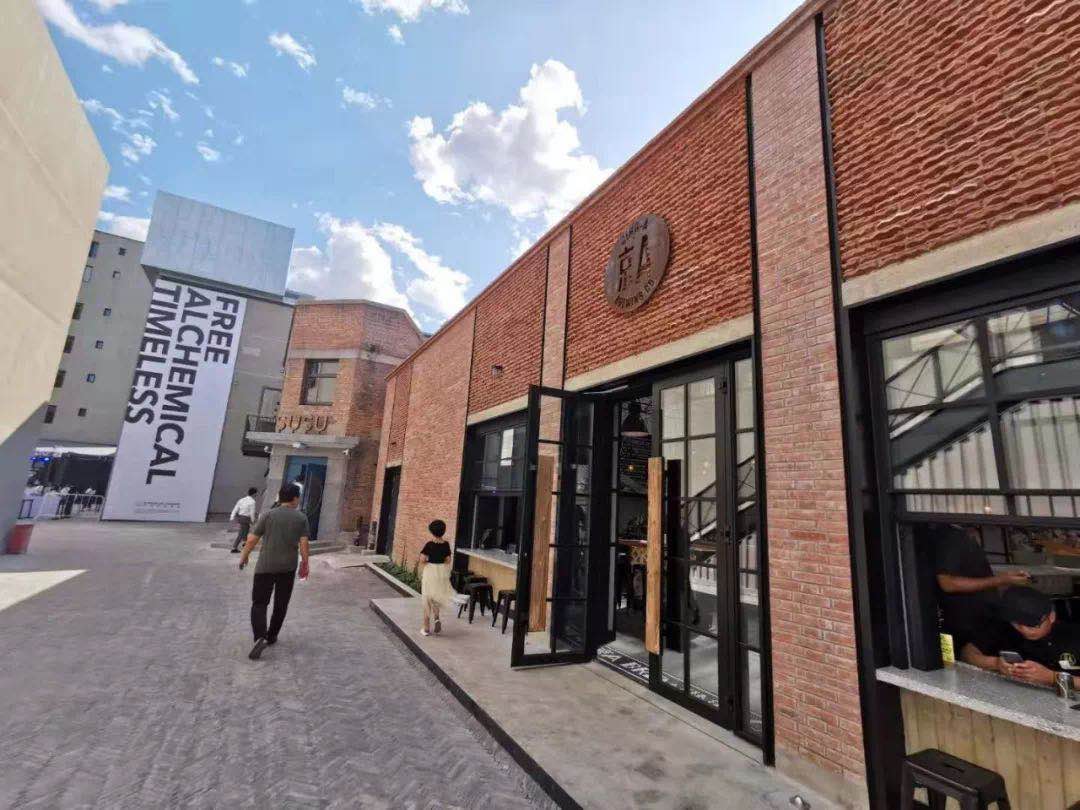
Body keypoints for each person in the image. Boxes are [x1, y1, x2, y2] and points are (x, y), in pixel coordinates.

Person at [932, 524, 1030, 661]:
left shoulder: (960, 535)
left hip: (983, 621)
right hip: (965, 625)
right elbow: (947, 583)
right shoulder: (951, 536)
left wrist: (1004, 581)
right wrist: (1001, 580)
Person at [238, 483, 310, 660]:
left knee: (259, 603)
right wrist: (305, 563)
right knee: (281, 603)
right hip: (288, 568)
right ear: (295, 498)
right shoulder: (301, 518)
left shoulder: (268, 515)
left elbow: (252, 539)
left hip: (265, 566)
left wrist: (244, 556)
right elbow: (304, 543)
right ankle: (271, 635)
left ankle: (259, 636)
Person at [993, 586, 1080, 689]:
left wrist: (1051, 678)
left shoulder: (1074, 636)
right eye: (1017, 624)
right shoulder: (1009, 633)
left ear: (1051, 617)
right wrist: (996, 663)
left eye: (1032, 625)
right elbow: (975, 655)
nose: (1024, 630)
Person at [418, 519, 455, 636]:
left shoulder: (429, 545)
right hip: (441, 572)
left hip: (430, 572)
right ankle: (437, 618)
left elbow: (422, 560)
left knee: (427, 598)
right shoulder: (446, 544)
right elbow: (448, 560)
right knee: (436, 597)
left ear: (432, 532)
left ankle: (426, 628)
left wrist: (429, 562)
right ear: (443, 531)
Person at [229, 487, 258, 553]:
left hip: (240, 517)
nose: (256, 495)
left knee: (246, 530)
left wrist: (232, 517)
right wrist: (253, 520)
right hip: (246, 518)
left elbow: (235, 509)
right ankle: (234, 548)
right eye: (256, 493)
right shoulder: (252, 502)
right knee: (242, 533)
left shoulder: (241, 500)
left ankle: (245, 543)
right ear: (254, 494)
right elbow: (252, 512)